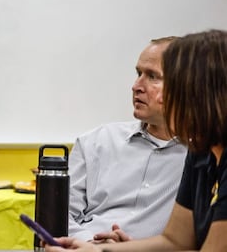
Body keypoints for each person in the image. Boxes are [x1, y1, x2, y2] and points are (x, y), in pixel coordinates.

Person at [48, 29, 227, 251]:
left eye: (156, 78)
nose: (137, 87)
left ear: (209, 94)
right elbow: (174, 241)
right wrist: (97, 249)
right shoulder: (199, 153)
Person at [68, 37, 187, 242]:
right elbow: (57, 215)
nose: (136, 86)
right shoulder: (96, 142)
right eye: (138, 73)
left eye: (152, 76)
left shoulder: (204, 156)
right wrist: (91, 243)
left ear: (185, 86)